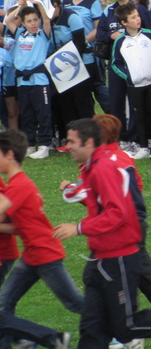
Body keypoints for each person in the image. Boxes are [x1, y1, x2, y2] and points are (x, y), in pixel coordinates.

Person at [53, 119, 151, 348]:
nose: (67, 147)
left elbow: (117, 211)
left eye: (72, 141)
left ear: (93, 139)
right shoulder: (103, 163)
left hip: (121, 242)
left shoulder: (107, 165)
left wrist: (78, 225)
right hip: (103, 250)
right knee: (93, 326)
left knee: (134, 306)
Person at [0, 128, 84, 349]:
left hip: (45, 254)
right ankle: (31, 341)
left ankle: (123, 327)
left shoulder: (18, 186)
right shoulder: (17, 185)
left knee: (74, 302)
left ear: (9, 155)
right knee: (3, 306)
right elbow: (18, 227)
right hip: (32, 255)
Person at [98, 0, 151, 154]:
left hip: (137, 64)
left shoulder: (139, 11)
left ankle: (137, 139)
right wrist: (111, 36)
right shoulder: (109, 11)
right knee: (116, 102)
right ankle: (121, 138)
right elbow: (100, 34)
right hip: (117, 64)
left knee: (135, 103)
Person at [111, 2, 151, 159]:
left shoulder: (148, 35)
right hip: (134, 85)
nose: (138, 19)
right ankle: (143, 147)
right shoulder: (120, 41)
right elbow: (116, 63)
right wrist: (128, 76)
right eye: (133, 17)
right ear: (124, 22)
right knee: (139, 116)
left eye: (138, 16)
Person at [2, 0, 51, 158]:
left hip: (39, 80)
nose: (33, 23)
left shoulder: (42, 34)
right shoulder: (19, 33)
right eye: (29, 21)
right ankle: (29, 144)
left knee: (43, 112)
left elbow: (47, 20)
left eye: (35, 19)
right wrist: (21, 7)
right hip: (22, 81)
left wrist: (40, 5)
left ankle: (45, 145)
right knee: (26, 113)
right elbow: (8, 20)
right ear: (23, 23)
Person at [49, 0, 94, 147]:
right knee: (64, 103)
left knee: (81, 102)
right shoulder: (45, 20)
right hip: (58, 68)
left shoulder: (71, 17)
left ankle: (89, 137)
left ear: (56, 5)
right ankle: (69, 139)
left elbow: (80, 43)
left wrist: (63, 62)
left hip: (79, 63)